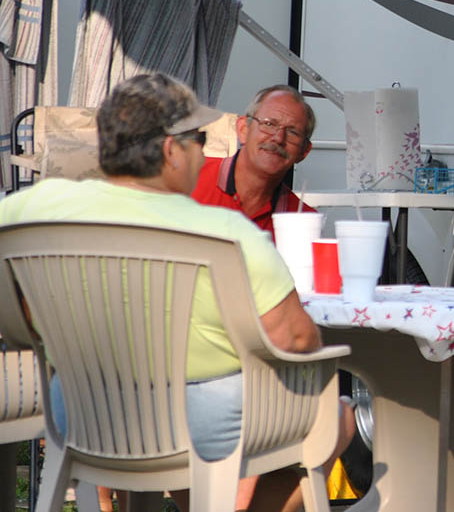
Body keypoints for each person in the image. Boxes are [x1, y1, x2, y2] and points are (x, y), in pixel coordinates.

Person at [0, 74, 355, 512]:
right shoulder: (226, 231)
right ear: (171, 150)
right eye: (198, 140)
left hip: (76, 409)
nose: (205, 152)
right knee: (335, 414)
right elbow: (296, 340)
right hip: (188, 422)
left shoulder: (30, 206)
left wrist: (30, 330)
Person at [193, 85, 316, 241]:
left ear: (304, 151)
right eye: (269, 124)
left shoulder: (302, 221)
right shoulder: (188, 177)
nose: (278, 138)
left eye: (293, 132)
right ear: (243, 129)